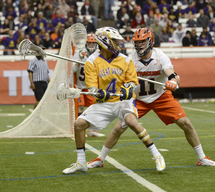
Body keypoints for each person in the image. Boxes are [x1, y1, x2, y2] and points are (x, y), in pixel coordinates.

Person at [87, 28, 215, 169]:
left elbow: (171, 73)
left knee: (186, 123)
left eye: (143, 41)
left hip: (160, 96)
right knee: (119, 127)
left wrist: (173, 82)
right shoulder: (129, 59)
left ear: (150, 41)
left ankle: (202, 158)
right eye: (137, 42)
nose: (140, 45)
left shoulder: (160, 56)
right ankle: (100, 159)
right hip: (138, 99)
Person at [62, 27, 165, 174]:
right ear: (105, 41)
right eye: (115, 42)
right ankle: (81, 162)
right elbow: (92, 88)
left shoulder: (125, 59)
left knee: (131, 121)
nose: (118, 45)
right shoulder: (92, 61)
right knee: (78, 124)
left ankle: (157, 155)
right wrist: (99, 94)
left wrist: (128, 89)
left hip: (123, 101)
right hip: (105, 102)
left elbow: (133, 82)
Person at [72, 34, 105, 137]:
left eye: (93, 43)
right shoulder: (79, 53)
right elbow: (73, 69)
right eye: (89, 42)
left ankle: (92, 130)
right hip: (79, 86)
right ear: (86, 43)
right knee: (80, 107)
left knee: (94, 107)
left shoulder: (98, 55)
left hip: (91, 86)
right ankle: (81, 131)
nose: (91, 45)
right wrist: (80, 59)